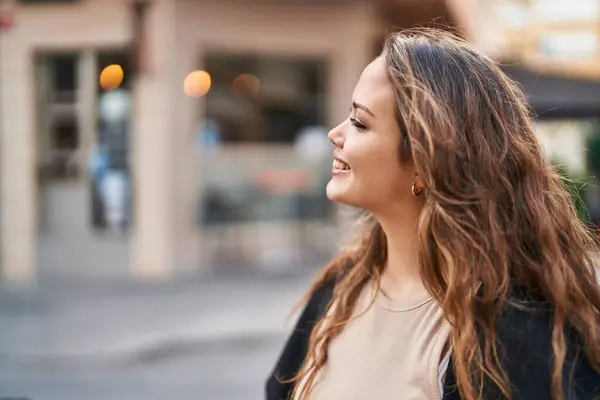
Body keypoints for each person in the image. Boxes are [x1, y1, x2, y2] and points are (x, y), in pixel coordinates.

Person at [266, 29, 600, 400]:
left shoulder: (509, 333)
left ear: (427, 164)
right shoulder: (340, 289)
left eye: (360, 122)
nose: (335, 133)